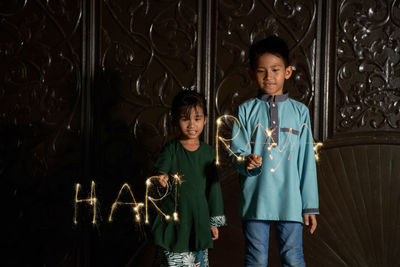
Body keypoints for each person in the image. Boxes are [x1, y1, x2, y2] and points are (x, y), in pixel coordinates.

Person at [230, 35, 319, 267]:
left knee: (293, 258)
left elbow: (306, 161)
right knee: (256, 260)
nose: (269, 77)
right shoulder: (245, 110)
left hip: (291, 201)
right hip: (256, 199)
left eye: (275, 70)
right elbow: (235, 153)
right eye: (261, 71)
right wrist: (245, 161)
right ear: (251, 73)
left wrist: (309, 205)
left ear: (288, 72)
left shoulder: (300, 112)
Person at [152, 90, 226, 267]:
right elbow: (159, 174)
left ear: (205, 120)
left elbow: (213, 189)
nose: (192, 124)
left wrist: (213, 223)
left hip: (198, 222)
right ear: (175, 120)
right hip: (175, 220)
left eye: (197, 118)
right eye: (185, 119)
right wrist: (160, 179)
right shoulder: (171, 150)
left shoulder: (208, 153)